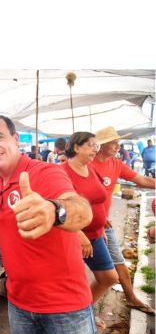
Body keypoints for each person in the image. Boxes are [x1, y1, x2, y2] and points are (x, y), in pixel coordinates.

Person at [0, 115, 95, 334]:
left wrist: (54, 211)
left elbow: (81, 208)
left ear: (16, 139)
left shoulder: (43, 173)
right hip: (19, 304)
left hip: (64, 306)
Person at [91, 126, 155, 315]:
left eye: (118, 143)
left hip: (103, 225)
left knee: (116, 266)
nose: (118, 147)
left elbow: (141, 179)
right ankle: (81, 310)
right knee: (84, 272)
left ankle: (131, 297)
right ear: (101, 146)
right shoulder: (88, 164)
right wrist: (98, 218)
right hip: (83, 227)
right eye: (114, 143)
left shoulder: (116, 164)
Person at [61, 132, 119, 319]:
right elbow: (61, 209)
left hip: (95, 235)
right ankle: (76, 317)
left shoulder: (90, 169)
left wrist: (100, 227)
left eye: (96, 145)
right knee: (72, 285)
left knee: (109, 278)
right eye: (90, 145)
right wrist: (79, 234)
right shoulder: (62, 172)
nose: (95, 149)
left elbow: (98, 198)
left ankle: (83, 311)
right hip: (73, 237)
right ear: (76, 147)